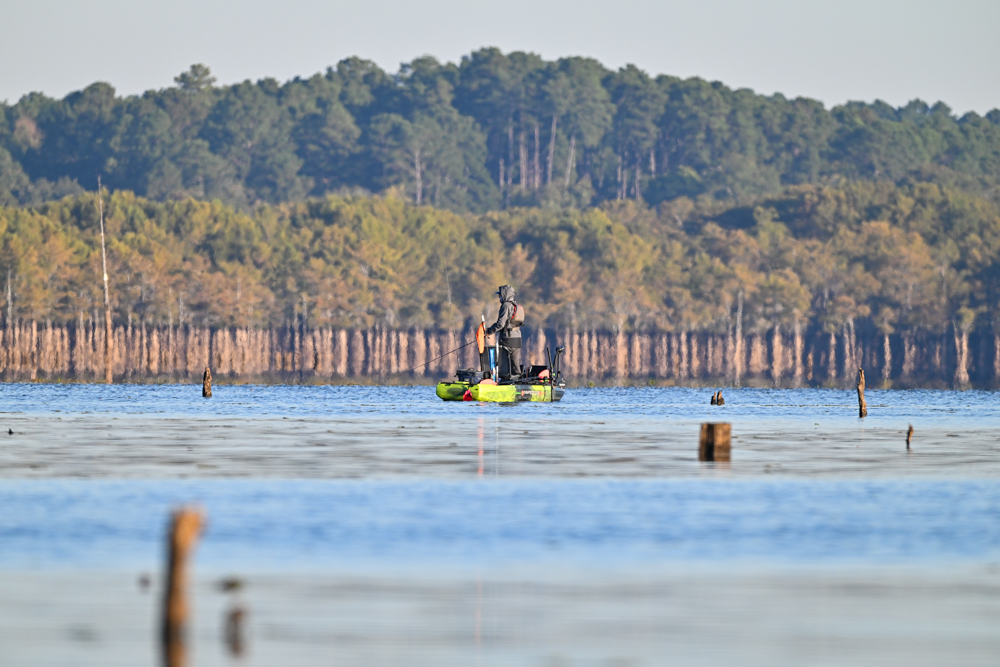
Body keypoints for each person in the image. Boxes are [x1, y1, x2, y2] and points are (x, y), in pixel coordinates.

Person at [485, 285, 524, 379]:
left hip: (507, 339)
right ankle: (519, 380)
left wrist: (488, 331)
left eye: (500, 295)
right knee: (515, 365)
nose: (499, 297)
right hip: (517, 339)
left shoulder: (506, 305)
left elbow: (500, 324)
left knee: (504, 365)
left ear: (505, 294)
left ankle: (506, 381)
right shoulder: (516, 306)